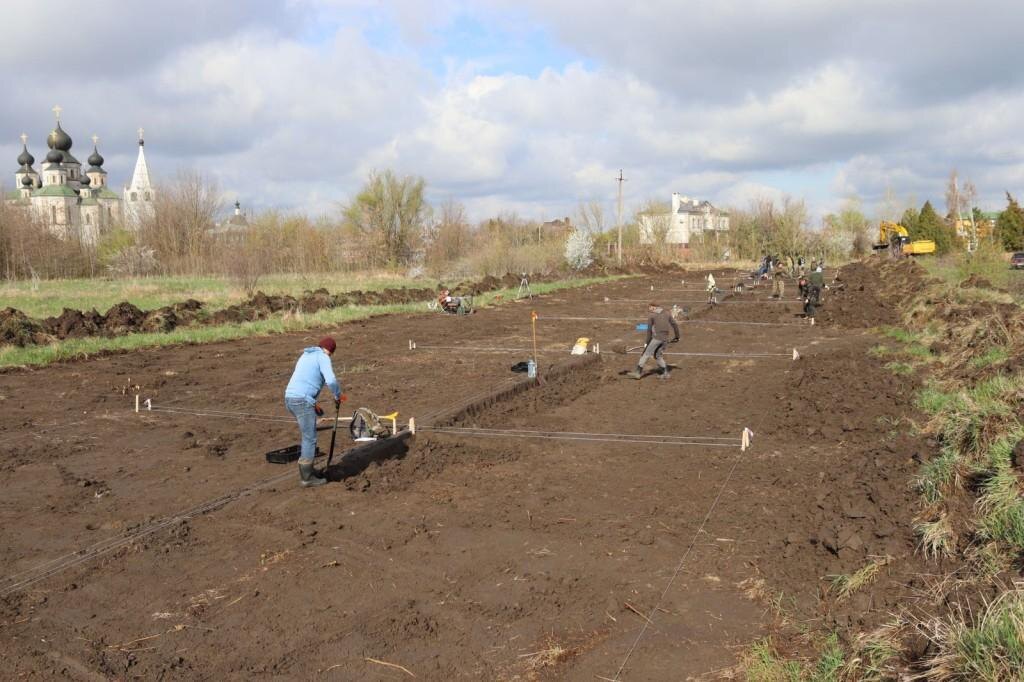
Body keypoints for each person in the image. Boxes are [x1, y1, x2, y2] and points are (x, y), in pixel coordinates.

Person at [284, 336, 342, 488]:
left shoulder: (306, 355)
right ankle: (307, 477)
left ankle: (309, 470)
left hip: (290, 398)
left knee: (308, 435)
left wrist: (313, 405)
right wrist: (338, 395)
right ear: (330, 351)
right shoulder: (323, 357)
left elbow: (304, 381)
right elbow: (331, 380)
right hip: (301, 401)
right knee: (310, 438)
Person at [631, 302, 680, 380]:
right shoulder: (667, 313)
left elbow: (649, 331)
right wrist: (677, 337)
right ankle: (665, 373)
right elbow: (675, 325)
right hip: (665, 339)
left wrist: (647, 342)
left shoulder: (652, 316)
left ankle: (638, 373)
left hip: (657, 338)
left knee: (646, 354)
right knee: (658, 356)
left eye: (649, 307)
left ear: (653, 307)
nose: (649, 309)